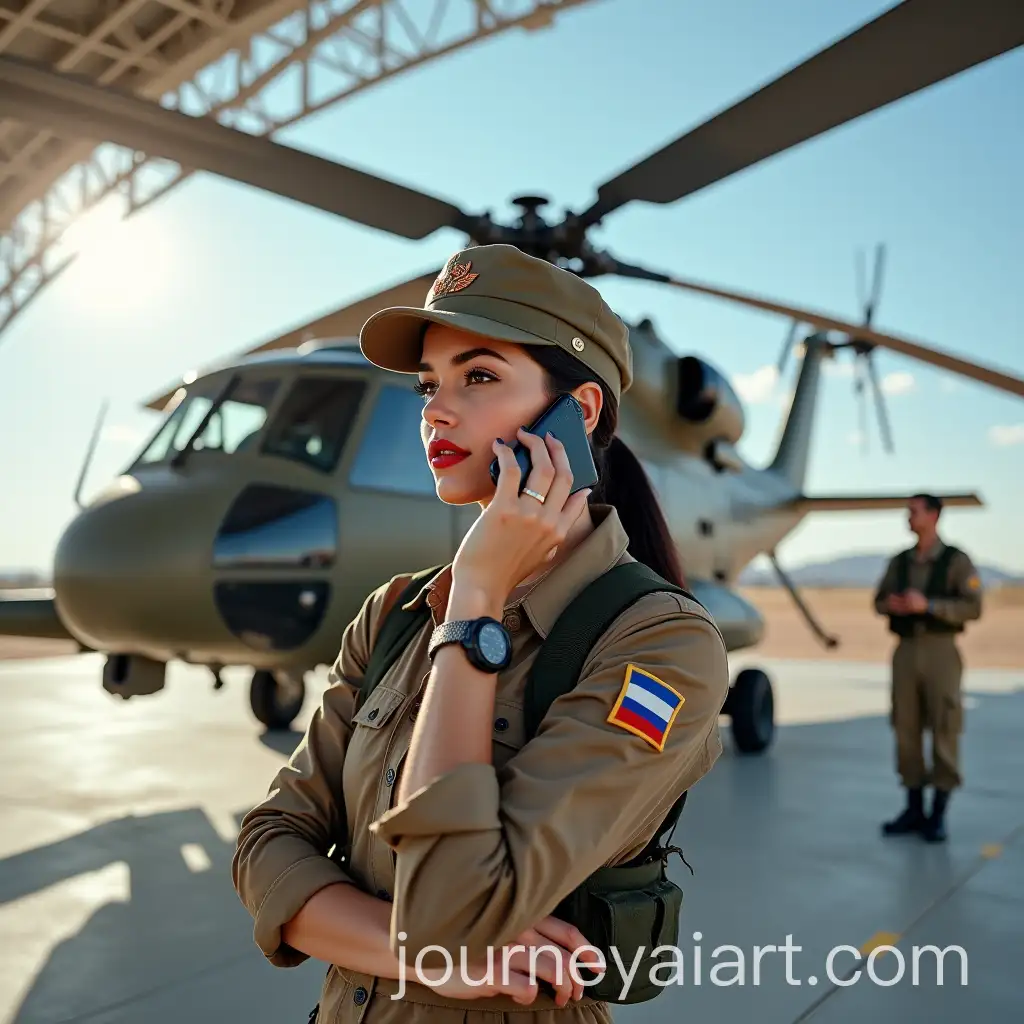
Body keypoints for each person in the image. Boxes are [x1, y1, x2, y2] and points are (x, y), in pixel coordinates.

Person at [231, 243, 731, 1022]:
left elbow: (450, 920)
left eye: (480, 376)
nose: (433, 407)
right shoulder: (395, 617)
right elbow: (266, 844)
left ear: (580, 413)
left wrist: (476, 604)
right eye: (429, 384)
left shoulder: (661, 647)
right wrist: (425, 957)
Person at [873, 493, 983, 843]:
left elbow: (973, 607)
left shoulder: (956, 560)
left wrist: (930, 605)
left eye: (914, 511)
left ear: (934, 516)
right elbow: (877, 600)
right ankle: (913, 807)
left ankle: (938, 813)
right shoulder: (900, 562)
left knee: (944, 725)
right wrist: (892, 605)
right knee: (905, 727)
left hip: (940, 652)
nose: (908, 516)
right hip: (905, 651)